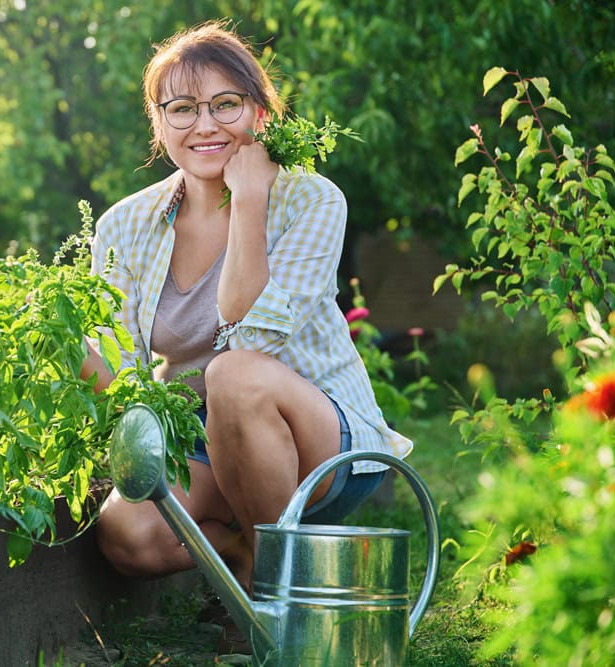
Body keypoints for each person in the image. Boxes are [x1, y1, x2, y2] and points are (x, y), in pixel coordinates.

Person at [80, 20, 412, 589]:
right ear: (158, 123)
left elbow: (251, 336)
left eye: (225, 104)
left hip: (321, 442)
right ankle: (246, 555)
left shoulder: (310, 200)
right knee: (129, 535)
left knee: (233, 373)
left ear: (259, 113)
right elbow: (125, 373)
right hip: (209, 440)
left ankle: (271, 591)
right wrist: (66, 349)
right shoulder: (124, 226)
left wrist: (251, 199)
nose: (205, 124)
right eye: (182, 109)